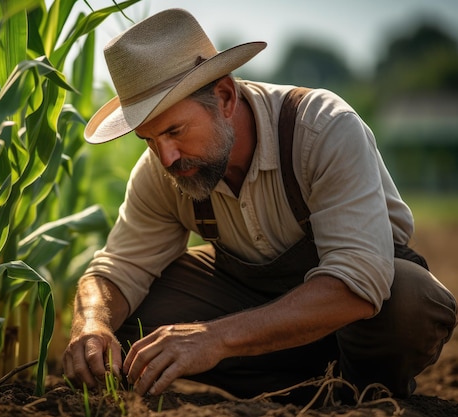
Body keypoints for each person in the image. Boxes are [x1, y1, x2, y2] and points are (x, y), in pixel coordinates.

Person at [61, 8, 457, 402]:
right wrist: (92, 324)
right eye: (148, 140)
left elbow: (356, 283)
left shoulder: (323, 128)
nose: (165, 157)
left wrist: (214, 338)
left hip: (356, 322)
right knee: (131, 317)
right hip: (251, 311)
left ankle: (361, 391)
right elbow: (117, 268)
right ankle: (292, 391)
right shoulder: (162, 171)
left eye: (174, 131)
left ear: (225, 97)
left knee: (410, 302)